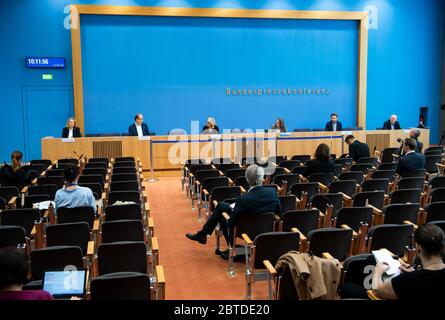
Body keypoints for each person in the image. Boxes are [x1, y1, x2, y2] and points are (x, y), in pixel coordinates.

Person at [185, 165, 280, 258]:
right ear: (262, 178)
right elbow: (278, 211)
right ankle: (203, 234)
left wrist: (236, 209)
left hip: (245, 232)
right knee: (221, 206)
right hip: (265, 228)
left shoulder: (244, 199)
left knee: (222, 213)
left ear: (247, 179)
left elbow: (230, 224)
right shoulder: (272, 192)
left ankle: (230, 247)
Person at [372, 224, 445, 300]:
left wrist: (378, 270)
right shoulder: (412, 278)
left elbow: (377, 290)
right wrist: (415, 272)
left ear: (418, 248)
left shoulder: (408, 281)